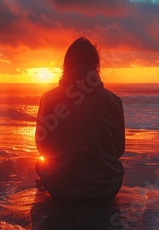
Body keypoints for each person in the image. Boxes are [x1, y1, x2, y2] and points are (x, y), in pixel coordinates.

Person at [34, 37, 125, 203]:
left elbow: (42, 147)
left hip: (60, 189)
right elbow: (119, 150)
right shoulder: (113, 100)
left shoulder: (48, 98)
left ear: (66, 65)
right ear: (95, 66)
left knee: (40, 164)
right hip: (105, 189)